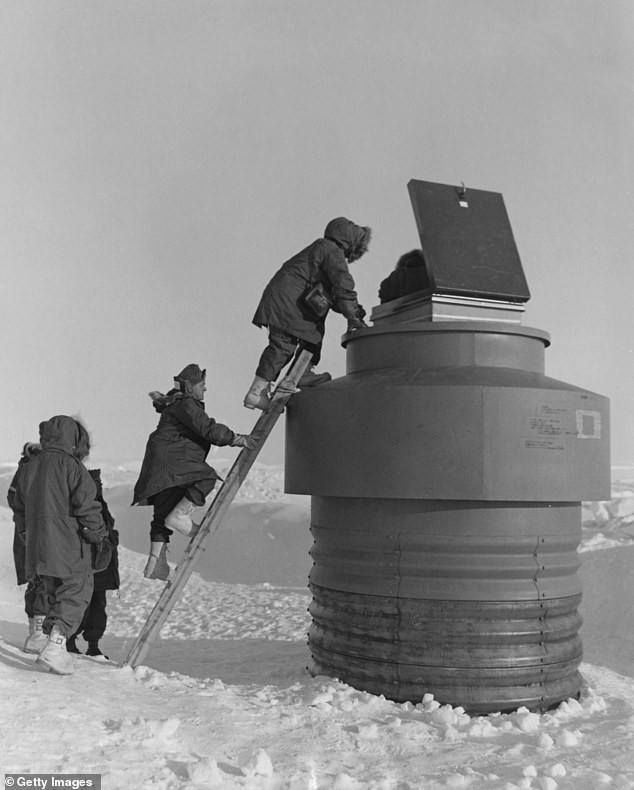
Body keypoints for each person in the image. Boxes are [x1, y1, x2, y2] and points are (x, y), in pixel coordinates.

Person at [132, 363, 254, 581]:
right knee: (206, 477)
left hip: (159, 464)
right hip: (172, 461)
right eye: (202, 385)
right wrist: (236, 438)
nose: (205, 390)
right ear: (191, 387)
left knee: (163, 512)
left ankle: (155, 563)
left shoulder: (176, 404)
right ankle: (181, 516)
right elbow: (207, 428)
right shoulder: (187, 404)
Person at [11, 415, 107, 675]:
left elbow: (17, 503)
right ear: (73, 438)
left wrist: (25, 531)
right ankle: (56, 645)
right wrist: (98, 535)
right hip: (67, 541)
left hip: (36, 542)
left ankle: (46, 643)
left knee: (48, 588)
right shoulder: (72, 467)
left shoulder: (30, 465)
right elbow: (87, 506)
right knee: (76, 588)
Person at [244, 216, 371, 410]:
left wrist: (354, 311)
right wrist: (354, 317)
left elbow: (334, 295)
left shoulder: (321, 248)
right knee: (284, 345)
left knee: (306, 337)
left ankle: (282, 380)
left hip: (287, 300)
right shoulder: (332, 251)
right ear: (349, 241)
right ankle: (258, 392)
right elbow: (343, 287)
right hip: (288, 303)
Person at [66, 468, 119, 660]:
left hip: (96, 564)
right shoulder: (90, 504)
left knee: (90, 604)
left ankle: (86, 643)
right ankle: (76, 641)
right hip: (91, 564)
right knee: (85, 603)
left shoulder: (86, 503)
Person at [7, 440, 44, 654]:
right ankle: (39, 633)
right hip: (41, 532)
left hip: (26, 532)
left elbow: (13, 498)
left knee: (35, 581)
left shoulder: (24, 467)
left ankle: (36, 631)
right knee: (44, 581)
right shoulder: (42, 466)